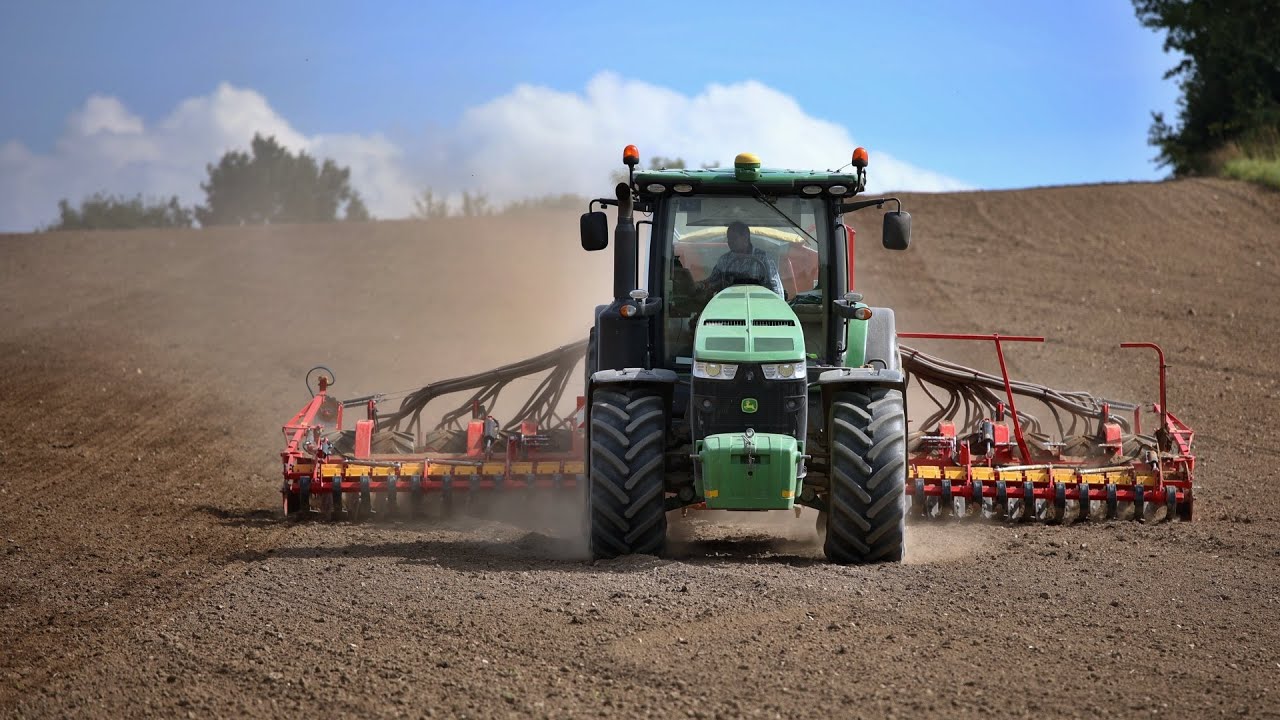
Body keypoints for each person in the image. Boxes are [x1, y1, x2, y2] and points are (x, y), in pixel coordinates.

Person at [703, 221, 784, 296]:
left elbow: (776, 287)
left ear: (745, 237)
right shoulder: (724, 260)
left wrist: (780, 307)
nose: (730, 242)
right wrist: (701, 285)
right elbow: (712, 282)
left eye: (734, 238)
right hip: (729, 305)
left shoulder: (764, 258)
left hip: (758, 305)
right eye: (728, 238)